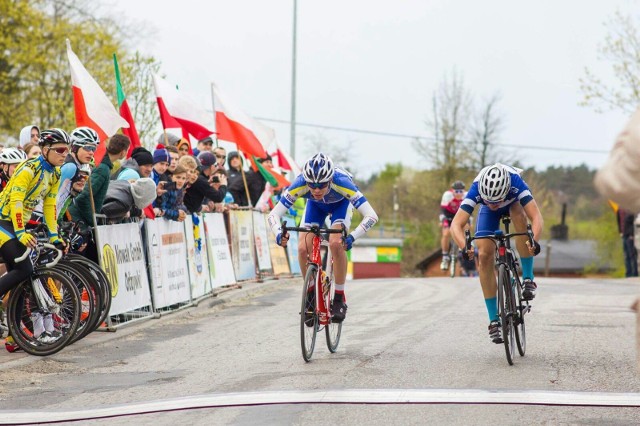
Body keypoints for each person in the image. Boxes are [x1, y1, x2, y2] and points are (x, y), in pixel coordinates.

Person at [267, 153, 378, 323]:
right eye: (312, 186)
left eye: (321, 185)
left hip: (341, 206)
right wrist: (278, 234)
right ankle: (311, 295)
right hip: (315, 208)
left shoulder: (342, 182)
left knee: (335, 244)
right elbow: (273, 215)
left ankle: (339, 298)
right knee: (303, 248)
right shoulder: (300, 184)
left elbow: (371, 216)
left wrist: (352, 237)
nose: (317, 190)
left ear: (330, 180)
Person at [450, 163, 543, 344]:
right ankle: (494, 320)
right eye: (490, 201)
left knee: (520, 217)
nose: (494, 205)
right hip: (487, 209)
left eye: (497, 201)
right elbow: (456, 224)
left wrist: (534, 240)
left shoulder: (516, 183)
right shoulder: (477, 188)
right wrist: (464, 246)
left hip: (514, 204)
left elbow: (536, 216)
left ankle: (528, 279)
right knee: (484, 255)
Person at [0, 129, 70, 343]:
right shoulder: (28, 169)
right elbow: (16, 201)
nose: (64, 154)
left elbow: (50, 205)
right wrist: (21, 232)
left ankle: (14, 338)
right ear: (46, 149)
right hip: (4, 221)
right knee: (24, 269)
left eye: (67, 150)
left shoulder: (55, 173)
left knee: (19, 279)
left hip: (15, 223)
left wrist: (54, 235)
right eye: (60, 149)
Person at [68, 134, 130, 263]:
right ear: (123, 151)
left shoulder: (104, 165)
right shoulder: (103, 168)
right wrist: (93, 219)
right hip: (79, 222)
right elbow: (84, 197)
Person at [439, 180, 467, 270]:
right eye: (456, 191)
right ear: (452, 191)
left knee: (467, 227)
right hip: (448, 216)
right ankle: (445, 255)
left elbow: (469, 212)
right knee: (446, 233)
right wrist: (444, 221)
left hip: (460, 215)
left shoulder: (467, 196)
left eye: (461, 191)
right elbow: (442, 211)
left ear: (464, 191)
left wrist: (469, 221)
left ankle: (461, 247)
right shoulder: (447, 195)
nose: (458, 194)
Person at [617, 208, 638, 277]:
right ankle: (628, 273)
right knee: (626, 255)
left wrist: (632, 234)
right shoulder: (619, 210)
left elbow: (634, 223)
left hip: (630, 236)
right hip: (624, 235)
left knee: (632, 255)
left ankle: (635, 273)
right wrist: (620, 231)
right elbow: (619, 221)